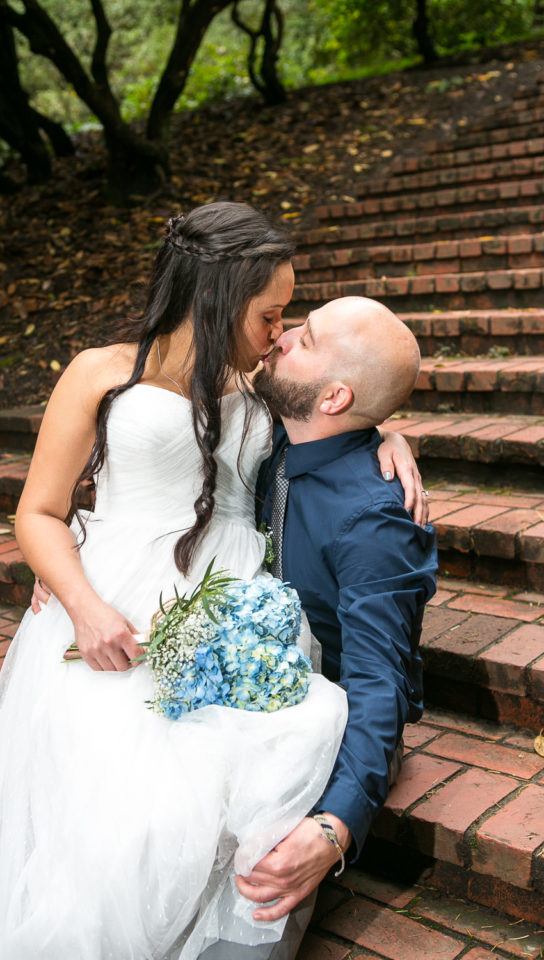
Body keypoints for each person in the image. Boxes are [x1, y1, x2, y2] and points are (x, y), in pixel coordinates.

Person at [0, 203, 423, 960]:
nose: (280, 332)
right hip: (110, 600)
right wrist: (82, 602)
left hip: (229, 597)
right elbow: (38, 512)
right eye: (271, 313)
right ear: (218, 296)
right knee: (108, 825)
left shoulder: (257, 377)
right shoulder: (99, 371)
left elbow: (333, 403)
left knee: (205, 799)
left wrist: (387, 432)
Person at [234, 296, 437, 930]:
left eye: (305, 338)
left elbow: (380, 685)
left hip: (318, 716)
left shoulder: (373, 521)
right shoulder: (277, 434)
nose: (281, 338)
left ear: (334, 398)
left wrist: (335, 824)